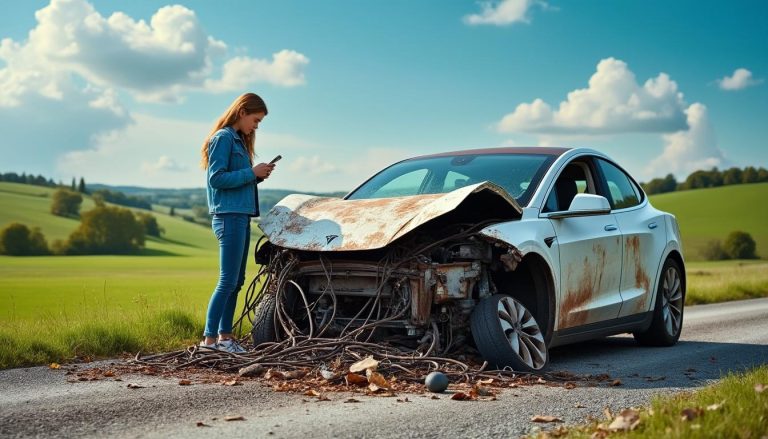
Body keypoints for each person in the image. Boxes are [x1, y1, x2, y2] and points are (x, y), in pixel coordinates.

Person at [199, 92, 275, 353]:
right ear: (242, 112)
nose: (256, 126)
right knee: (227, 280)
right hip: (228, 216)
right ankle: (209, 341)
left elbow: (237, 180)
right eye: (256, 120)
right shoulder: (222, 138)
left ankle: (225, 338)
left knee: (237, 281)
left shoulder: (239, 141)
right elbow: (216, 179)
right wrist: (251, 172)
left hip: (240, 216)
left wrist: (257, 176)